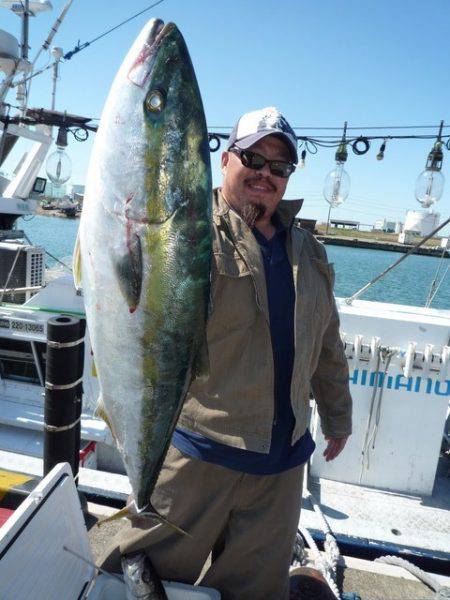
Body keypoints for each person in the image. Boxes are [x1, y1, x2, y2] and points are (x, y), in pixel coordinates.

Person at [101, 107, 352, 599]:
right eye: (254, 158)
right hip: (198, 454)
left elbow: (327, 344)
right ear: (225, 158)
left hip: (281, 467)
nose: (266, 173)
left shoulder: (309, 251)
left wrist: (338, 416)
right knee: (131, 581)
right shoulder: (186, 233)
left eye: (279, 167)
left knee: (254, 592)